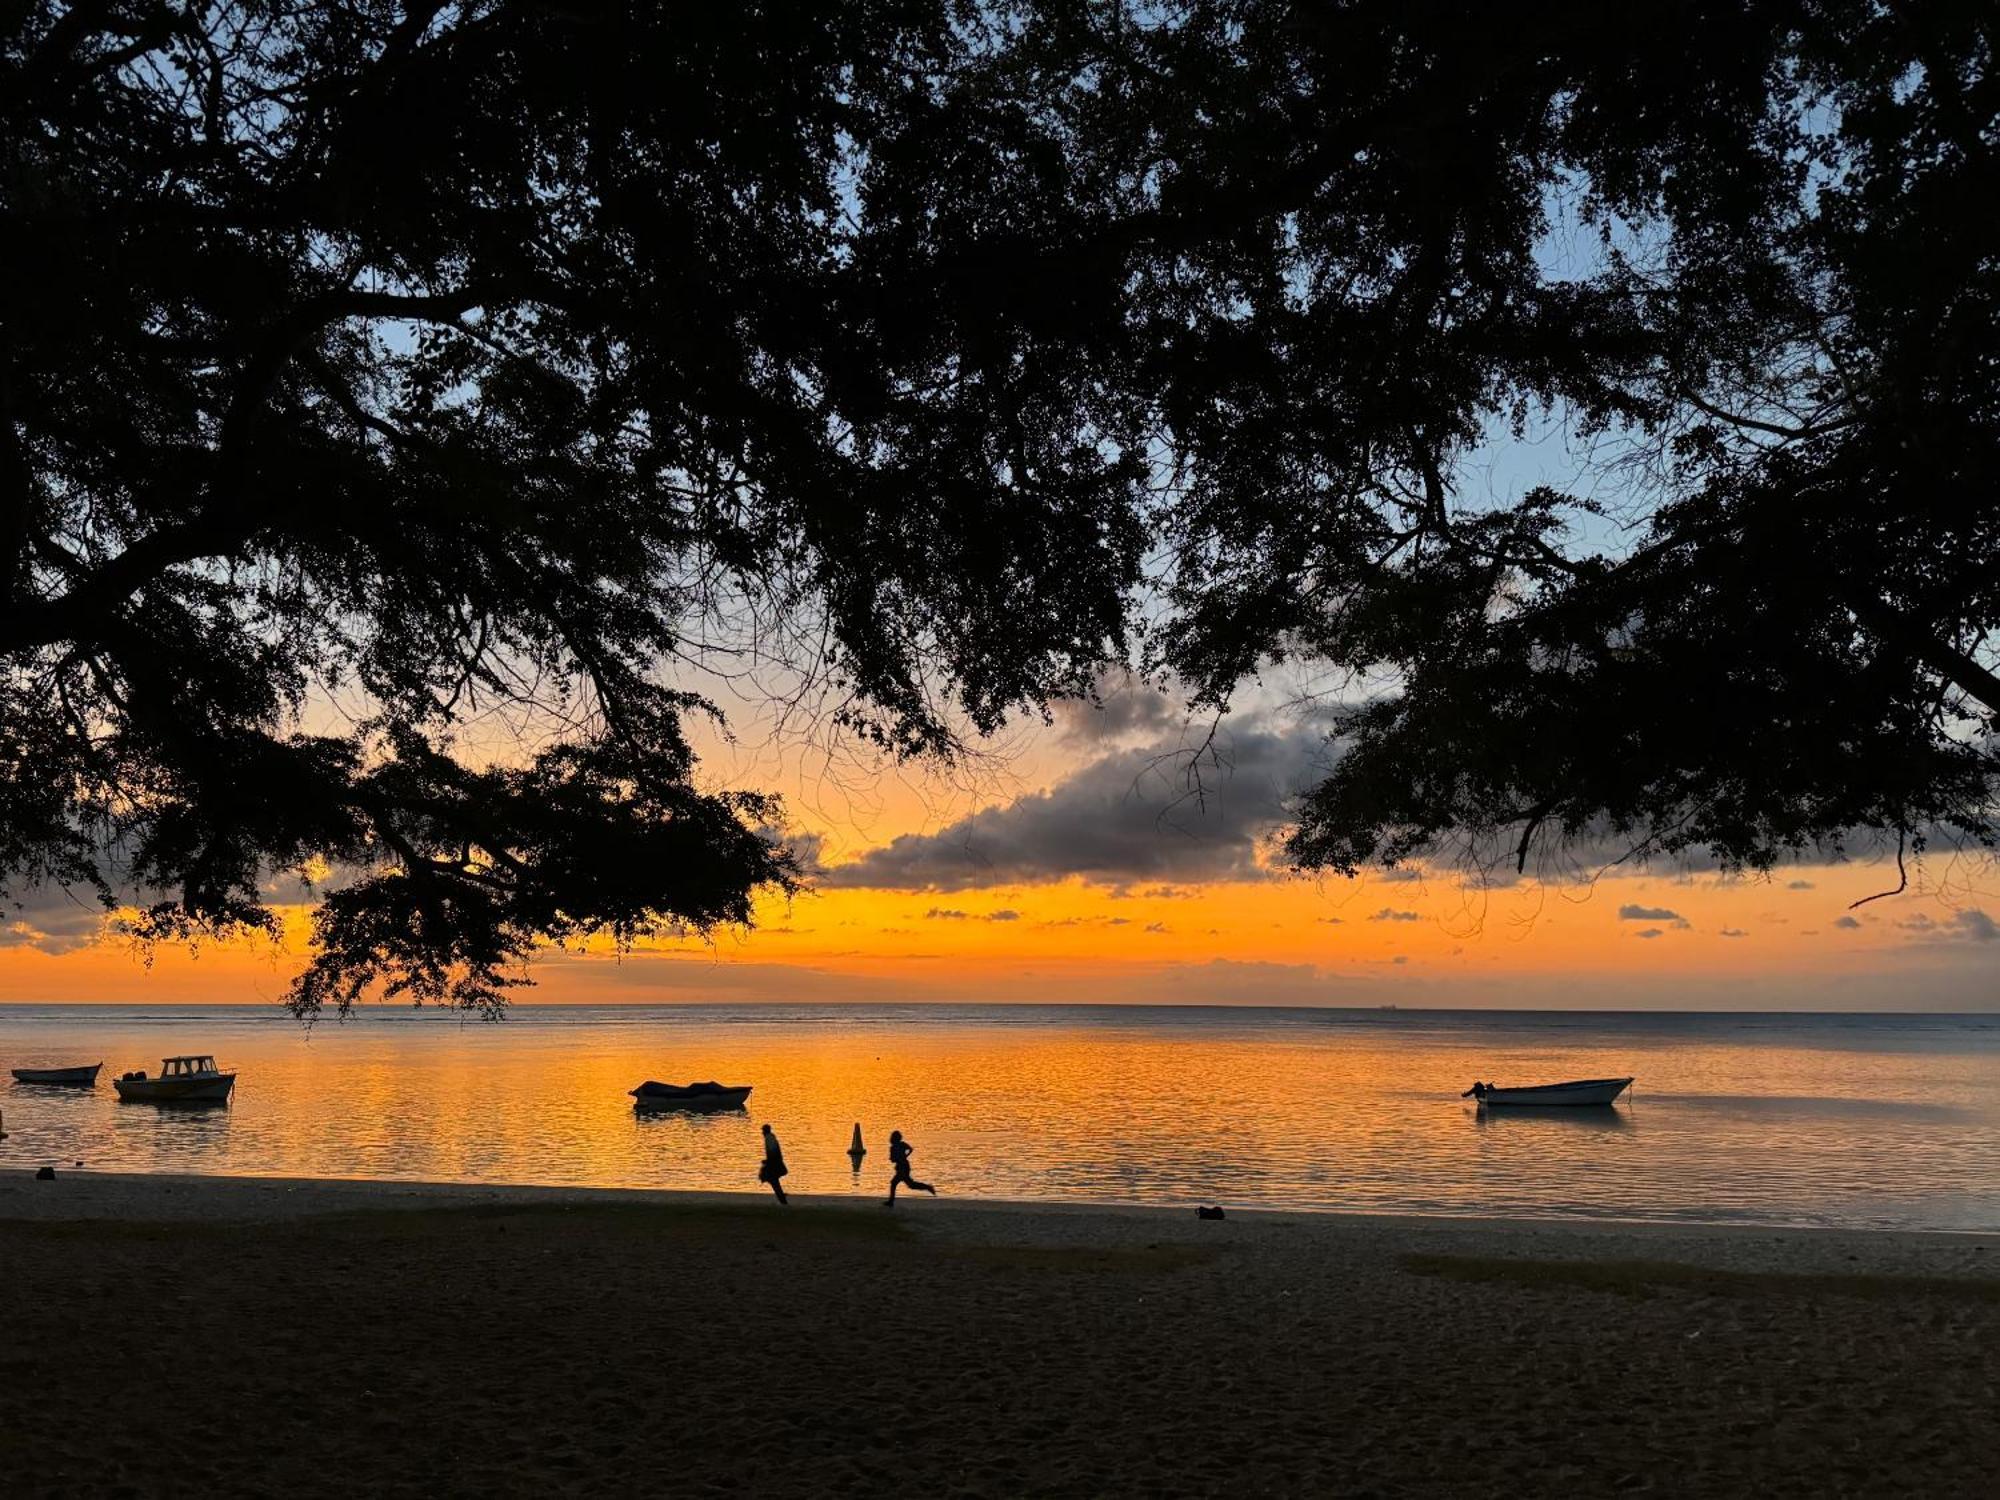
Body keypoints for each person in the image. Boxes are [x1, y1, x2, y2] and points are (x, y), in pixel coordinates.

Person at [883, 1128, 937, 1207]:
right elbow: (910, 1149)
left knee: (900, 1183)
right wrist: (905, 1156)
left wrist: (900, 1157)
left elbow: (893, 1159)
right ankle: (928, 1187)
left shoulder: (894, 1147)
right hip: (904, 1165)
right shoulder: (901, 1145)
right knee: (909, 1184)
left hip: (902, 1167)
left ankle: (891, 1202)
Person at [757, 1122, 789, 1205]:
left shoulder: (769, 1138)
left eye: (763, 1131)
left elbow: (772, 1153)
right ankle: (782, 1198)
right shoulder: (771, 1137)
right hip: (774, 1163)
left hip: (774, 1165)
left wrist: (767, 1161)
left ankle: (782, 1200)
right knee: (774, 1182)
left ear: (765, 1131)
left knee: (773, 1182)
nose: (762, 1133)